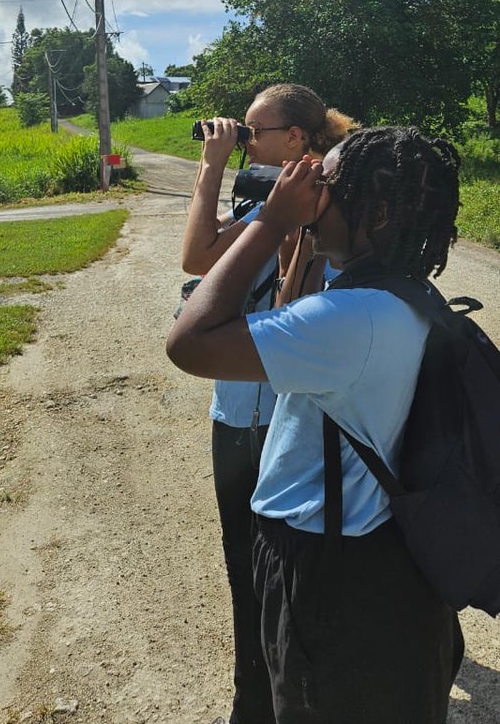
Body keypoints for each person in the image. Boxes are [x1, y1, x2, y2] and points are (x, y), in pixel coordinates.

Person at [169, 126, 465, 724]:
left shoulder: (349, 319)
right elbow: (287, 311)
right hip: (382, 563)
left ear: (375, 212)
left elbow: (189, 343)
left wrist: (271, 221)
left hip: (331, 574)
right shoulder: (397, 295)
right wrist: (297, 235)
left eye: (324, 183)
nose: (306, 191)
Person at [181, 84, 357, 724]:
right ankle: (255, 699)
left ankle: (272, 703)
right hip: (238, 415)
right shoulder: (265, 200)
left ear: (299, 140)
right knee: (248, 576)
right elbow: (199, 257)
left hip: (287, 422)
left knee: (285, 578)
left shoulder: (336, 211)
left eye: (255, 132)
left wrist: (289, 230)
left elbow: (291, 316)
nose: (244, 141)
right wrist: (211, 175)